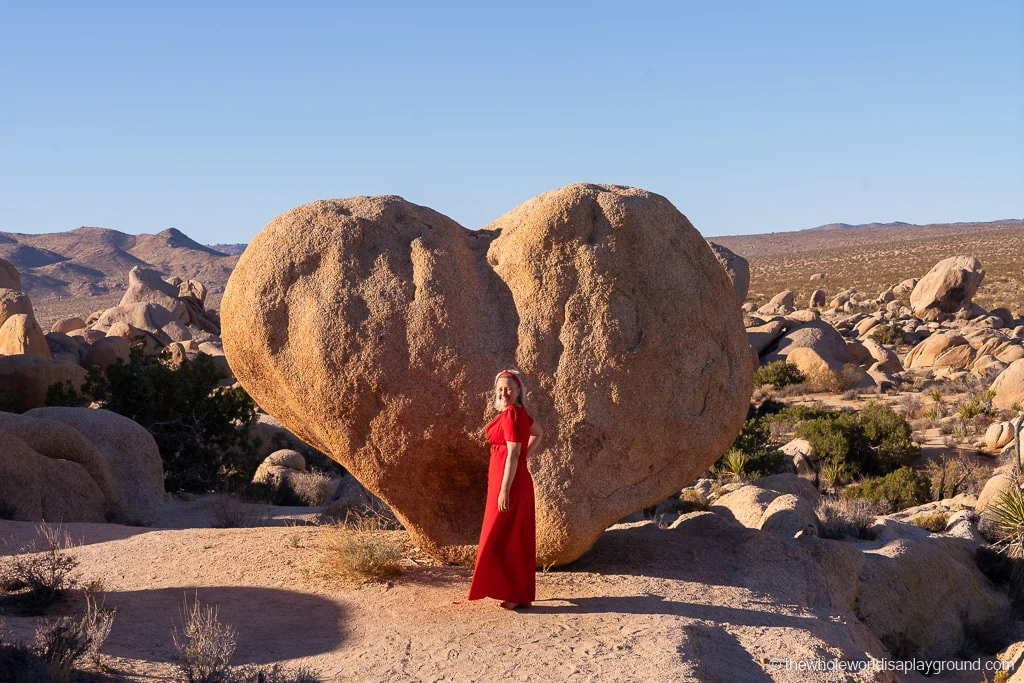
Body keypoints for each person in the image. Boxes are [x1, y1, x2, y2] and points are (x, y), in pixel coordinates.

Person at [468, 369, 543, 610]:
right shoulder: (520, 414)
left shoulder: (512, 414)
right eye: (500, 389)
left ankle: (512, 593)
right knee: (515, 536)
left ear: (519, 391)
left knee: (500, 536)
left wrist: (504, 489)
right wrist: (523, 457)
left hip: (508, 483)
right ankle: (520, 594)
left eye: (509, 389)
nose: (504, 393)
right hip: (514, 480)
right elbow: (538, 433)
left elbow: (511, 452)